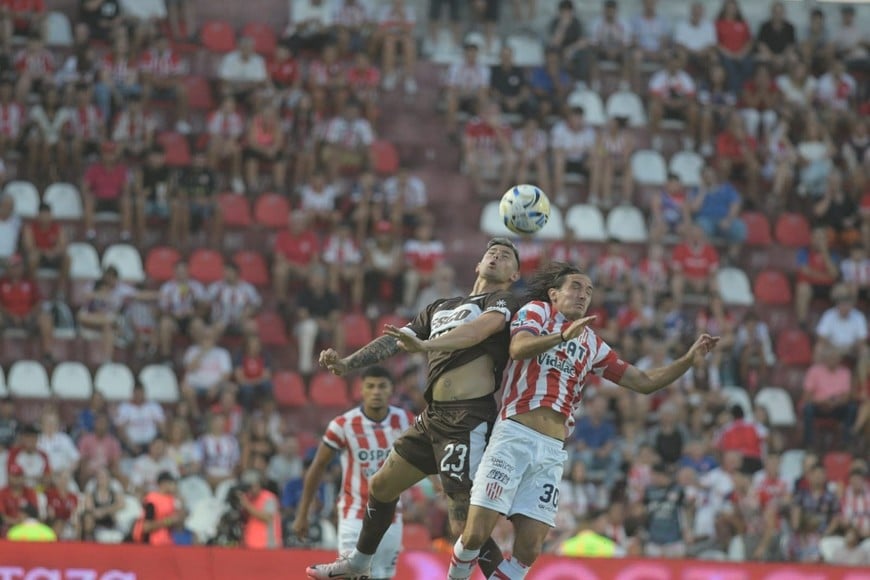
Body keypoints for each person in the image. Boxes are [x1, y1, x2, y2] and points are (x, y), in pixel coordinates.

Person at [445, 262, 718, 580]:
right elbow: (518, 348)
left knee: (529, 550)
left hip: (551, 450)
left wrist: (687, 360)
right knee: (476, 533)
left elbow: (643, 382)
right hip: (514, 435)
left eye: (588, 290)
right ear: (553, 293)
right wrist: (561, 336)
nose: (583, 294)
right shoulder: (537, 312)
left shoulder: (591, 343)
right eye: (575, 286)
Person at [307, 238, 523, 579]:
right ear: (477, 265)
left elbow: (476, 332)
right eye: (491, 253)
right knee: (381, 486)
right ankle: (359, 562)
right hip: (433, 416)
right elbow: (395, 340)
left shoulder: (503, 302)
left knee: (462, 525)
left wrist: (425, 345)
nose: (496, 256)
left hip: (467, 419)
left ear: (514, 275)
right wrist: (348, 363)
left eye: (506, 256)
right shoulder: (440, 307)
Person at [294, 367, 414, 578]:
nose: (376, 391)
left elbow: (426, 455)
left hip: (391, 516)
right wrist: (303, 513)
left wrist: (439, 484)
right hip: (354, 514)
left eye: (382, 386)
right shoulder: (343, 424)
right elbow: (318, 466)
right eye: (370, 386)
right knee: (350, 575)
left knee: (381, 577)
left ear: (391, 390)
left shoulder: (407, 421)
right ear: (361, 390)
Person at [239, 469, 282, 549]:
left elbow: (267, 517)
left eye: (252, 486)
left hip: (267, 545)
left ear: (259, 484)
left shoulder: (269, 498)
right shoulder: (248, 498)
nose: (250, 489)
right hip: (251, 544)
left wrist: (246, 505)